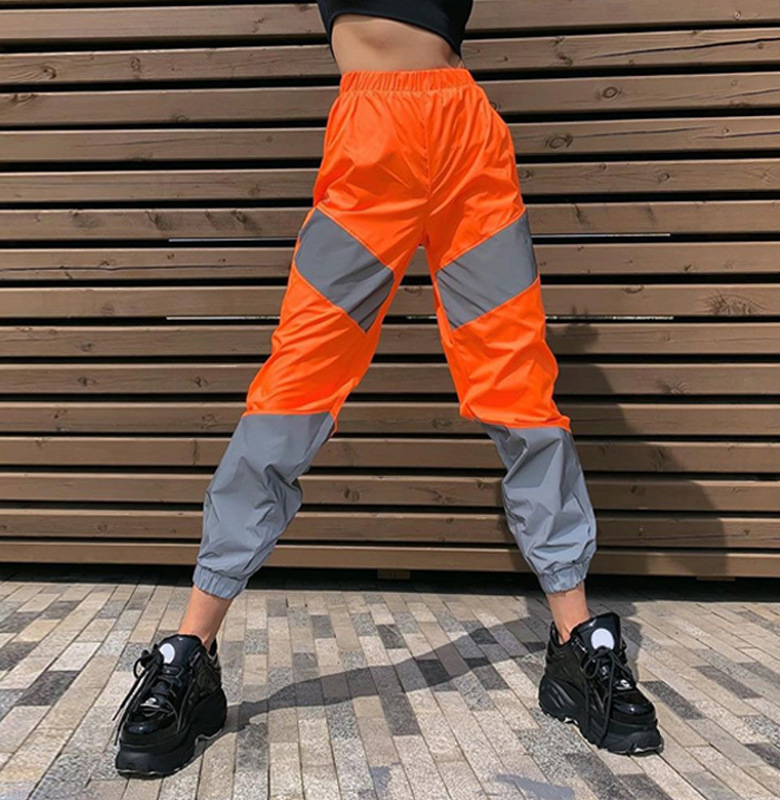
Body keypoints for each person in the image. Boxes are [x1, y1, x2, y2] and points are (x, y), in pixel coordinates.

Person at [113, 0, 663, 777]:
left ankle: (576, 643)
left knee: (519, 386)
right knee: (294, 387)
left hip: (466, 139)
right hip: (370, 139)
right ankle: (191, 650)